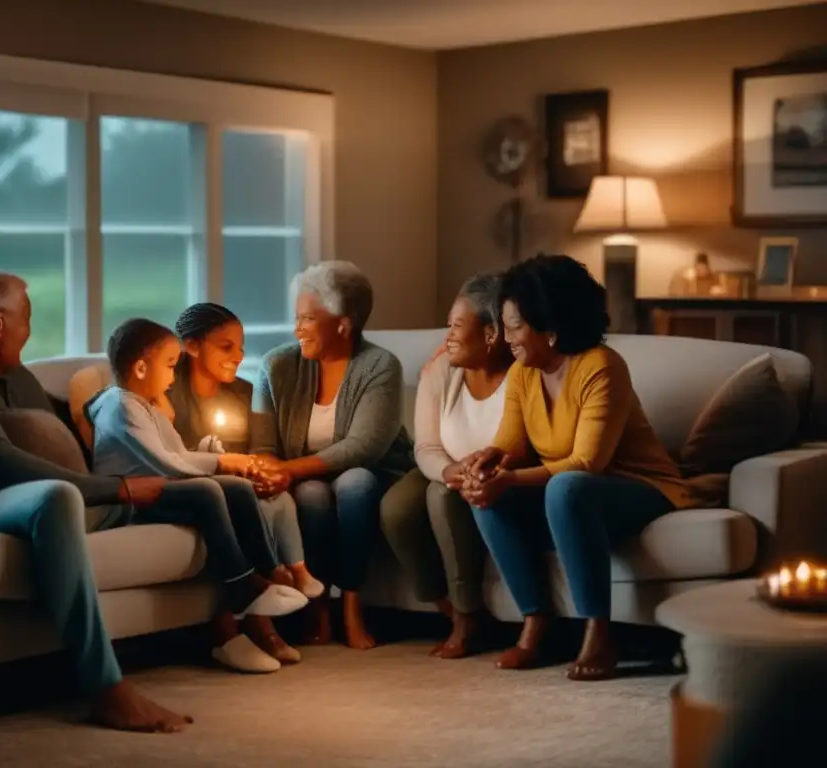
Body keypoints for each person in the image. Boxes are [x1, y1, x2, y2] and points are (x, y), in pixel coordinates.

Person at [0, 270, 191, 733]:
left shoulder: (10, 373)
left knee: (185, 492)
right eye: (26, 321)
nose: (30, 332)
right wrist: (118, 488)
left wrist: (130, 409)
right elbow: (2, 465)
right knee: (56, 498)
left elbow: (60, 421)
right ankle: (105, 688)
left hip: (8, 496)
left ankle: (248, 606)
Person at [463, 254, 697, 681]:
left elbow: (590, 462)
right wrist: (487, 463)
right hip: (572, 490)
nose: (505, 337)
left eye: (515, 326)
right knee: (487, 495)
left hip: (640, 487)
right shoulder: (523, 373)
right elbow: (510, 445)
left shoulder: (601, 367)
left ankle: (599, 632)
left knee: (566, 487)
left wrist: (510, 478)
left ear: (549, 329)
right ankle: (537, 622)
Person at [87, 318, 309, 673]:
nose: (175, 375)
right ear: (141, 367)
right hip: (128, 501)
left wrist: (230, 464)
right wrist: (221, 461)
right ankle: (242, 586)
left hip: (161, 489)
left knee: (236, 487)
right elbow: (167, 464)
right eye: (171, 365)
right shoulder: (121, 406)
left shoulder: (145, 405)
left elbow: (183, 456)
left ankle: (268, 571)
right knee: (207, 491)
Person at [251, 260, 414, 650]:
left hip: (372, 472)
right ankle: (319, 607)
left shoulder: (380, 365)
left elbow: (364, 447)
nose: (297, 329)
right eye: (296, 318)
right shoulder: (277, 365)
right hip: (307, 480)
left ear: (343, 324)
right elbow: (262, 447)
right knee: (311, 494)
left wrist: (288, 469)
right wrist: (275, 472)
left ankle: (353, 606)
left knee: (354, 483)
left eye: (308, 319)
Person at [380, 272, 513, 658]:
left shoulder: (523, 374)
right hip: (444, 467)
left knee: (442, 498)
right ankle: (448, 609)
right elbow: (425, 445)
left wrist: (473, 472)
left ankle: (468, 616)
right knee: (397, 508)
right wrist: (448, 470)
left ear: (491, 334)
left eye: (457, 325)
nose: (447, 336)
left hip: (498, 473)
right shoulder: (440, 370)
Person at [168, 302, 324, 601]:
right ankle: (275, 576)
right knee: (250, 505)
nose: (238, 357)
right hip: (205, 485)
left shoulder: (246, 393)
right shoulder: (168, 397)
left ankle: (298, 574)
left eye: (241, 349)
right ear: (192, 346)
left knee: (280, 498)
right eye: (226, 348)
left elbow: (263, 448)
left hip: (247, 482)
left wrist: (271, 474)